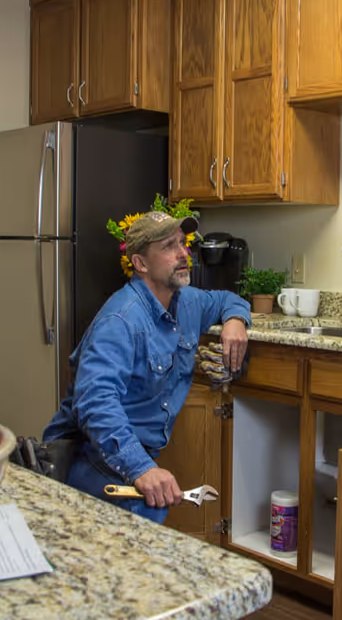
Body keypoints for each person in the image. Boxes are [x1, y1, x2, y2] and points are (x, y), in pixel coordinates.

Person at [42, 211, 250, 523]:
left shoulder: (187, 302)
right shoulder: (121, 320)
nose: (183, 254)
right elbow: (95, 403)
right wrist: (142, 468)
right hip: (94, 459)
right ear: (140, 264)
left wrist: (235, 320)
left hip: (133, 456)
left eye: (182, 243)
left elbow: (225, 299)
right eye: (168, 247)